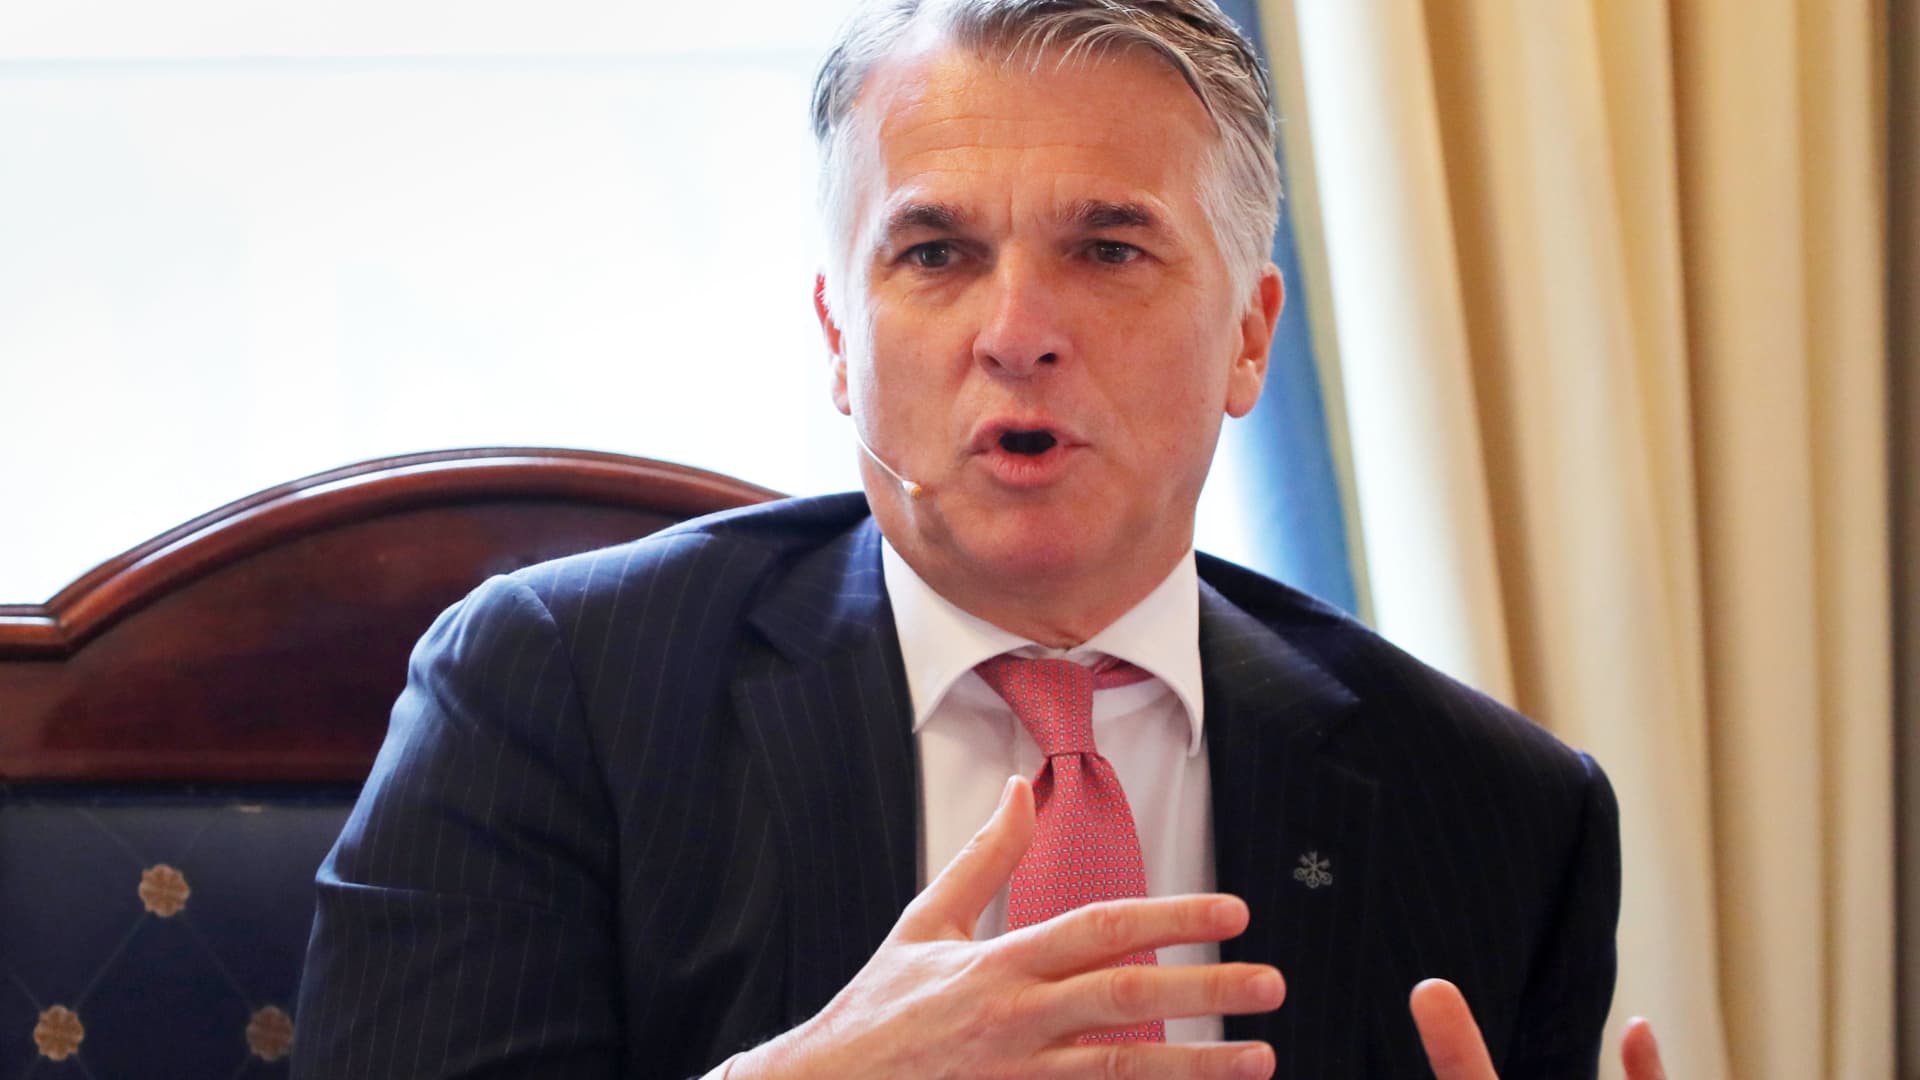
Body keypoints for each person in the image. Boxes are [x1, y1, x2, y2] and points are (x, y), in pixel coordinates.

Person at [293, 1, 1670, 1077]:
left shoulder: (1498, 811)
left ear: (1250, 338)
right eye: (936, 254)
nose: (1017, 333)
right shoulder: (553, 696)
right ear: (841, 341)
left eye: (1109, 250)